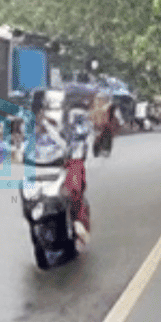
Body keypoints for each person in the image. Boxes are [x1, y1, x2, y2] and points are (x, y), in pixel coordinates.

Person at [33, 108, 92, 251]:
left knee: (73, 194)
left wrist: (46, 123)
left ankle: (77, 226)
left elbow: (61, 141)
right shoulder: (63, 134)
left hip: (72, 167)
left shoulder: (78, 136)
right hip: (58, 167)